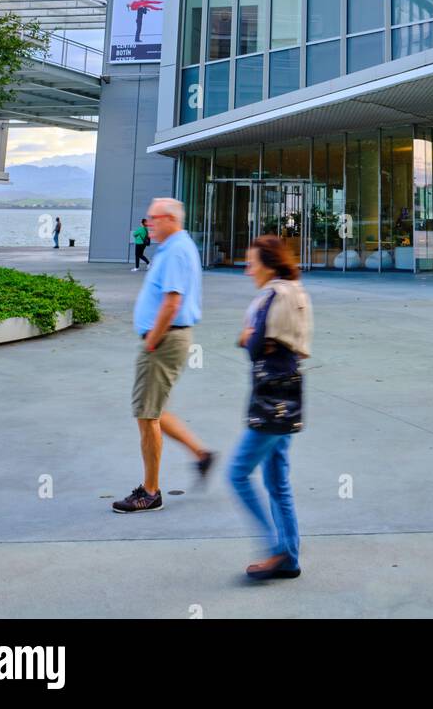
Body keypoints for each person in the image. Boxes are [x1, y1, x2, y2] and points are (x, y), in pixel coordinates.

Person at [112, 197, 215, 513]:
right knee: (154, 409)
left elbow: (172, 302)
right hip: (168, 339)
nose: (149, 224)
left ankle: (150, 491)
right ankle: (201, 454)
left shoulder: (175, 251)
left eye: (153, 219)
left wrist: (152, 340)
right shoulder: (176, 246)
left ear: (170, 218)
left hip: (164, 340)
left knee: (147, 415)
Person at [228, 235, 312, 580]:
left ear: (269, 264)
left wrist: (247, 337)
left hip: (270, 396)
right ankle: (289, 556)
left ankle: (275, 548)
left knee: (237, 473)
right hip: (290, 391)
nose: (248, 270)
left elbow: (255, 343)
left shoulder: (273, 295)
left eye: (252, 263)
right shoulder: (297, 291)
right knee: (277, 479)